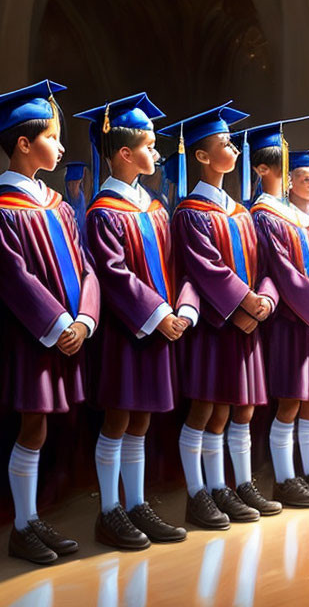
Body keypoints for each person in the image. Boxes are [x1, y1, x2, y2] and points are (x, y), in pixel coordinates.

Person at [76, 94, 195, 549]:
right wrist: (159, 313)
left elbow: (176, 265)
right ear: (125, 153)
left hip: (159, 326)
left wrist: (181, 307)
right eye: (149, 145)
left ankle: (136, 504)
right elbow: (113, 274)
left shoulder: (155, 207)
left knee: (142, 419)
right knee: (119, 417)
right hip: (126, 331)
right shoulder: (103, 211)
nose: (157, 153)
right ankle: (109, 511)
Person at [160, 103, 282, 529]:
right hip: (214, 326)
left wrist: (264, 300)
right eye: (225, 143)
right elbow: (205, 269)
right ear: (201, 156)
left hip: (246, 324)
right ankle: (199, 494)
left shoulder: (241, 212)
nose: (234, 148)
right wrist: (246, 304)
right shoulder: (190, 212)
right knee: (206, 409)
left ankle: (233, 485)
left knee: (239, 410)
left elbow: (265, 267)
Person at [0, 80, 100, 564]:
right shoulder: (5, 209)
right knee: (31, 426)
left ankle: (32, 518)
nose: (62, 147)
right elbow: (13, 277)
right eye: (53, 137)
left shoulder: (58, 205)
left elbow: (85, 267)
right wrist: (60, 323)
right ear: (23, 143)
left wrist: (85, 319)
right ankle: (22, 525)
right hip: (30, 336)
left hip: (67, 333)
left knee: (43, 430)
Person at [244, 120, 309, 504]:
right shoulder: (267, 218)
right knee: (289, 401)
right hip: (291, 322)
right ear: (286, 181)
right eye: (300, 176)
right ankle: (284, 478)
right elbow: (283, 272)